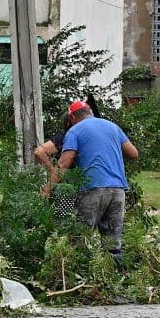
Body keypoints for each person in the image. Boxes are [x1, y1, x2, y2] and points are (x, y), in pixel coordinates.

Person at [41, 101, 138, 262]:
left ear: (72, 117)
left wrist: (47, 190)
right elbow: (133, 153)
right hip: (118, 190)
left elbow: (64, 163)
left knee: (81, 240)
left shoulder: (74, 131)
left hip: (92, 190)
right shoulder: (112, 126)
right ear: (89, 112)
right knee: (113, 244)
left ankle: (82, 280)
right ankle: (115, 280)